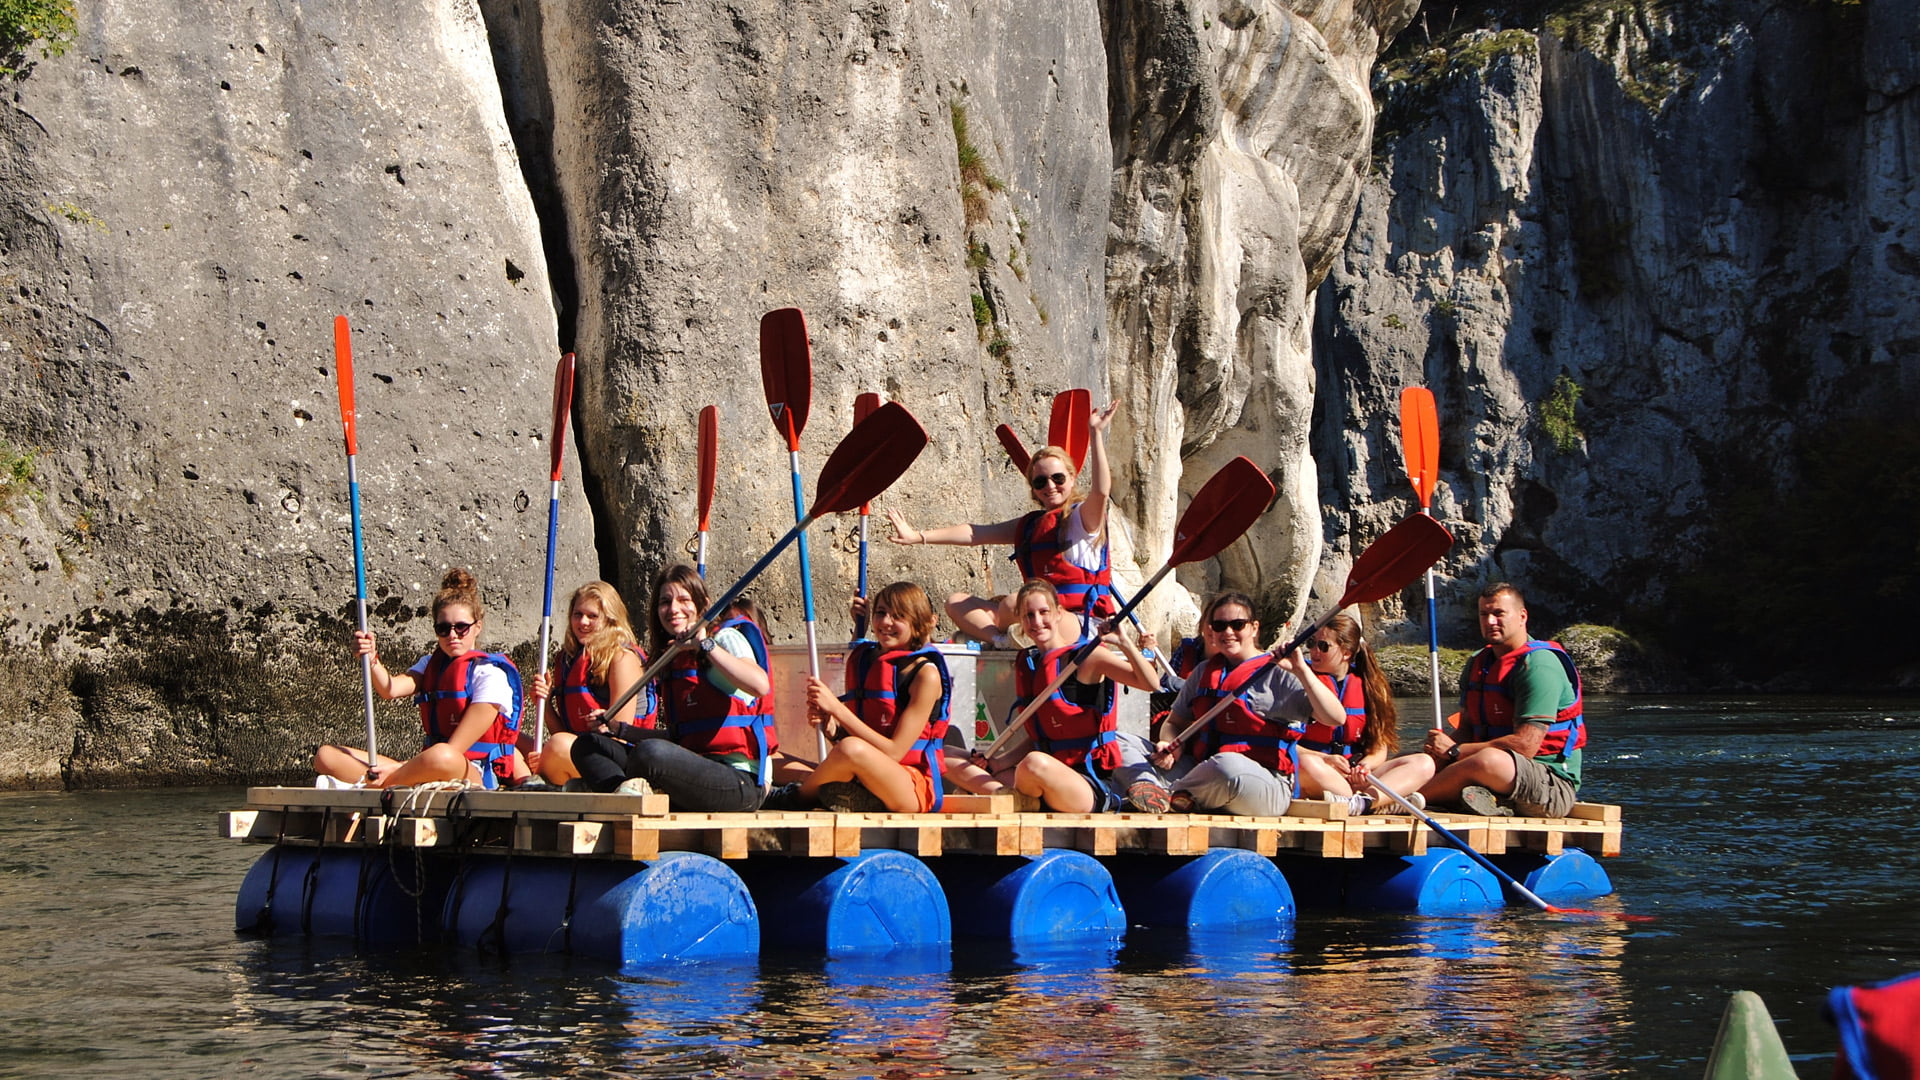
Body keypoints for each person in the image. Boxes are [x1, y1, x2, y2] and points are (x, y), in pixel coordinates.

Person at [886, 402, 1120, 643]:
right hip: (1035, 617)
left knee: (1011, 604)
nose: (1050, 486)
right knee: (956, 602)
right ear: (1034, 488)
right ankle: (1002, 641)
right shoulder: (1033, 525)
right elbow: (975, 535)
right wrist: (917, 536)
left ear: (1072, 478)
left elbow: (1101, 491)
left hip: (1083, 622)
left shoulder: (1083, 519)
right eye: (1040, 482)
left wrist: (1095, 434)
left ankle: (1013, 634)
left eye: (1057, 478)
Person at [568, 563, 777, 811]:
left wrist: (706, 646)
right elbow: (679, 738)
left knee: (650, 754)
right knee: (588, 744)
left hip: (740, 782)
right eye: (665, 602)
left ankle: (624, 795)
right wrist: (619, 730)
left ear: (702, 605)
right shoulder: (674, 656)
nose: (673, 609)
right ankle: (623, 795)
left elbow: (759, 685)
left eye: (683, 600)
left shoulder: (723, 639)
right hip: (691, 772)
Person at [1367, 582, 1585, 817]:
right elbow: (1468, 728)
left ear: (1522, 616)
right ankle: (1363, 794)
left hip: (1548, 785)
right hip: (1487, 772)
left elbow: (1525, 746)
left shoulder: (1539, 665)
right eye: (1484, 614)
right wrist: (1439, 753)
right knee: (1416, 762)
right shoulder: (1478, 663)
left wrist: (1454, 751)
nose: (1490, 621)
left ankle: (1407, 801)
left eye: (1499, 613)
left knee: (1487, 760)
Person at [315, 567, 525, 789]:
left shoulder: (491, 675)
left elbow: (454, 749)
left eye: (461, 627)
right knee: (326, 756)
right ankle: (386, 783)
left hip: (468, 772)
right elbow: (390, 689)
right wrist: (371, 659)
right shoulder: (430, 665)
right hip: (424, 767)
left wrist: (398, 768)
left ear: (477, 627)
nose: (452, 635)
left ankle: (370, 787)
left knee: (442, 756)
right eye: (443, 628)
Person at [1145, 591, 1347, 817]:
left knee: (1228, 766)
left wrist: (1302, 671)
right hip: (1203, 771)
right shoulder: (1203, 672)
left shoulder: (1280, 672)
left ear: (1254, 628)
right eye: (1220, 625)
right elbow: (1174, 722)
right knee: (1127, 745)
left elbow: (1336, 718)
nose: (1228, 632)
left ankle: (1163, 793)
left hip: (1264, 783)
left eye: (1237, 624)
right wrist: (1170, 744)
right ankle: (1171, 795)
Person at [979, 578, 1161, 812]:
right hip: (1041, 773)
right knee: (952, 758)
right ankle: (1018, 797)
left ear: (1058, 614)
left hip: (1085, 785)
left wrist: (1124, 643)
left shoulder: (1087, 658)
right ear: (1022, 622)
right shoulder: (1031, 663)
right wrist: (996, 763)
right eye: (1028, 616)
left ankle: (1014, 798)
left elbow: (1150, 684)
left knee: (1034, 763)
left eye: (1044, 612)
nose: (1037, 622)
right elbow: (1044, 736)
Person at [792, 581, 952, 813]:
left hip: (912, 786)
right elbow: (858, 739)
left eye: (898, 616)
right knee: (780, 760)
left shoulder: (926, 675)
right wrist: (833, 729)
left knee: (850, 750)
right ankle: (857, 798)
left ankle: (794, 798)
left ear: (917, 622)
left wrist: (838, 709)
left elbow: (895, 752)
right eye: (881, 613)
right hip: (867, 775)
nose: (885, 622)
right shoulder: (867, 662)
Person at [525, 581, 654, 788]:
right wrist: (546, 704)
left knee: (556, 746)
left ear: (610, 619)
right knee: (526, 745)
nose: (583, 622)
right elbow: (563, 732)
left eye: (592, 616)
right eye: (578, 615)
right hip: (582, 752)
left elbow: (620, 733)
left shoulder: (622, 658)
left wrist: (555, 751)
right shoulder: (567, 660)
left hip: (619, 760)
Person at [1296, 613, 1401, 813]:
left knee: (1423, 763)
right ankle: (1380, 802)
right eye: (1311, 643)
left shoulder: (1370, 687)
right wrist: (1324, 758)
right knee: (1307, 763)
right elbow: (1284, 740)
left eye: (1323, 646)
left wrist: (1364, 767)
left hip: (1354, 773)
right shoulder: (1299, 680)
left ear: (1346, 652)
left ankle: (1363, 801)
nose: (1314, 651)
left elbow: (1379, 746)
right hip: (1319, 768)